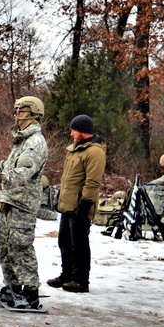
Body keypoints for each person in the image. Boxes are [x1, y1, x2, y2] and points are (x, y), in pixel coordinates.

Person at [0, 96, 50, 311]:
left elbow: (23, 172)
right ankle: (13, 288)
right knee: (5, 248)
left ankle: (30, 294)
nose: (17, 114)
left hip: (22, 203)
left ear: (34, 113)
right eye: (16, 110)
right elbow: (11, 164)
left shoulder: (36, 142)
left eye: (22, 110)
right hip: (9, 201)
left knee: (20, 248)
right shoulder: (22, 141)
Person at [48, 114, 106, 294]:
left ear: (83, 131)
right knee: (64, 242)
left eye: (74, 130)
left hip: (80, 206)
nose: (71, 133)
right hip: (67, 205)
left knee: (79, 244)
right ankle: (66, 275)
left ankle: (80, 280)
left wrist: (85, 204)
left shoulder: (95, 152)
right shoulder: (74, 149)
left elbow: (92, 182)